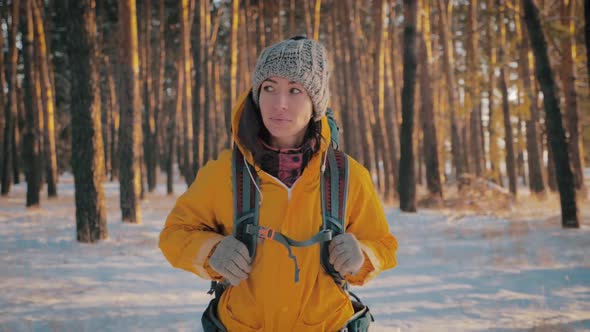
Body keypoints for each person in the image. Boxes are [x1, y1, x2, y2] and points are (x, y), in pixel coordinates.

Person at [159, 36, 397, 332]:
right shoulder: (223, 173)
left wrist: (362, 256)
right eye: (269, 88)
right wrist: (211, 251)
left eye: (295, 90)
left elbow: (384, 245)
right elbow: (174, 234)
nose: (279, 104)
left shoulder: (346, 176)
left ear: (316, 103)